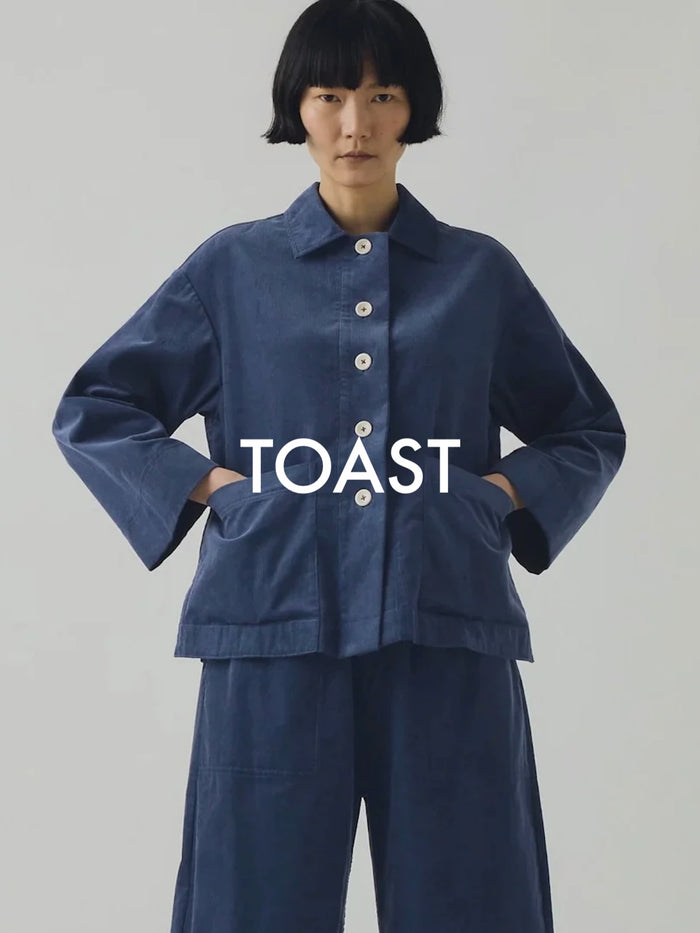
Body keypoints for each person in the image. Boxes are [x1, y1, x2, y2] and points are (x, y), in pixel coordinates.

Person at [51, 1, 626, 930]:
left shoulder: (480, 276)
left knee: (474, 902)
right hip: (272, 629)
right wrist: (216, 488)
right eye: (330, 96)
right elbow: (98, 408)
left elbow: (585, 427)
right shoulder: (231, 270)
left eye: (381, 95)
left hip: (445, 628)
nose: (355, 123)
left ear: (412, 110)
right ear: (299, 108)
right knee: (251, 906)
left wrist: (493, 498)